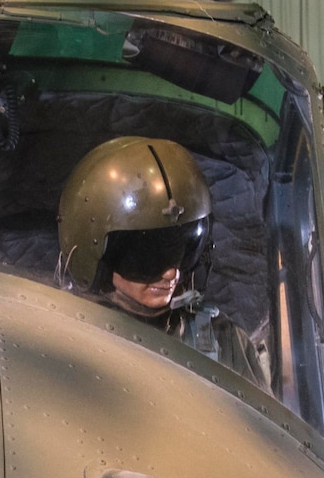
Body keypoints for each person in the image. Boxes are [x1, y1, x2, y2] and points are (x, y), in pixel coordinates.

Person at [55, 135, 264, 381]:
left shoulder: (222, 341)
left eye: (183, 249)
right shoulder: (58, 338)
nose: (170, 273)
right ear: (98, 256)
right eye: (147, 257)